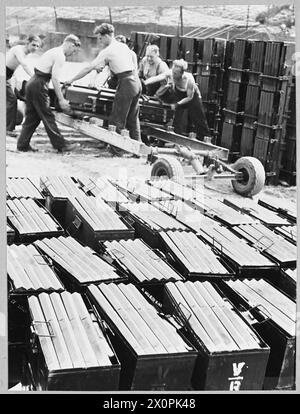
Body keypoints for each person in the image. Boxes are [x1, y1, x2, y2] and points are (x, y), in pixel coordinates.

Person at [65, 23, 142, 142]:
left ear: (106, 36)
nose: (99, 42)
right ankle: (138, 147)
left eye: (100, 38)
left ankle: (116, 149)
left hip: (126, 83)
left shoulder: (108, 50)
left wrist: (71, 80)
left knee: (117, 119)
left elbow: (88, 68)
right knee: (132, 119)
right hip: (136, 82)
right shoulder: (123, 46)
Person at [16, 34, 81, 153]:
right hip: (39, 84)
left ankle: (22, 145)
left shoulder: (54, 51)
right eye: (74, 51)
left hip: (33, 82)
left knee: (33, 117)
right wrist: (61, 99)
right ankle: (61, 145)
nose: (73, 54)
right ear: (71, 45)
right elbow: (55, 79)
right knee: (47, 115)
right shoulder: (60, 56)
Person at [144, 59, 211, 140]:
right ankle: (175, 138)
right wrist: (145, 83)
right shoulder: (171, 73)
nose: (173, 74)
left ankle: (205, 138)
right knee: (177, 120)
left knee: (199, 119)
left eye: (175, 73)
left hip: (192, 98)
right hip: (180, 96)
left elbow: (189, 97)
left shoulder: (189, 80)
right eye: (173, 72)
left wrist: (177, 104)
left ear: (181, 73)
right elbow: (158, 78)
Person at [6, 35, 41, 137]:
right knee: (12, 100)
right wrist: (34, 77)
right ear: (27, 43)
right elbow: (24, 64)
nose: (35, 48)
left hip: (8, 76)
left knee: (15, 97)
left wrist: (15, 81)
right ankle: (8, 129)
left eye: (38, 46)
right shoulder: (18, 50)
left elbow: (13, 67)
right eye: (33, 45)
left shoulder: (24, 53)